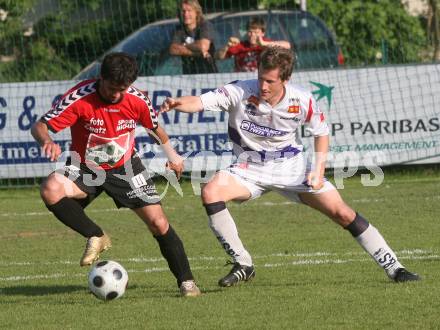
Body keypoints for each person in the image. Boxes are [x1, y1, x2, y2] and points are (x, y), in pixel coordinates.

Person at [160, 46, 420, 287]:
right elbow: (200, 101)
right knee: (211, 192)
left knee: (342, 213)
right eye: (261, 77)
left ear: (285, 79)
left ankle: (395, 268)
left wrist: (318, 170)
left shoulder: (302, 100)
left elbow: (321, 133)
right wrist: (178, 103)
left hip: (292, 168)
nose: (263, 85)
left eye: (270, 81)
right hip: (248, 168)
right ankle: (243, 263)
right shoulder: (239, 91)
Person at [30, 52, 201, 297]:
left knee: (158, 223)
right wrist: (46, 140)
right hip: (85, 167)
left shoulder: (137, 99)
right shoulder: (81, 97)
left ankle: (187, 282)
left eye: (122, 89)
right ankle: (96, 235)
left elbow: (154, 128)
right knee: (51, 188)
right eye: (112, 88)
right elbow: (40, 125)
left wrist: (172, 156)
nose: (116, 94)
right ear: (101, 78)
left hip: (126, 167)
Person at [216, 17, 291, 72]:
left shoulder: (267, 44)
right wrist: (227, 46)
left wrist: (264, 44)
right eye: (250, 32)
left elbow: (287, 45)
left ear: (263, 33)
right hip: (242, 80)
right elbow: (218, 57)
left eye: (256, 32)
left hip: (261, 78)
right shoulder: (241, 45)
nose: (252, 35)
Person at [169, 0, 218, 74]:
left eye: (189, 11)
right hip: (188, 75)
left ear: (196, 13)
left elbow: (203, 46)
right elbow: (173, 49)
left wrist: (184, 45)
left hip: (208, 73)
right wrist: (196, 53)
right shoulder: (179, 30)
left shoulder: (205, 26)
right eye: (183, 11)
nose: (186, 14)